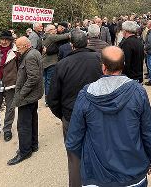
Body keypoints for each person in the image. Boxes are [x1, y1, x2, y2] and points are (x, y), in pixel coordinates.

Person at [65, 46, 151, 186]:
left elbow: (73, 140)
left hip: (97, 176)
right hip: (132, 172)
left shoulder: (85, 94)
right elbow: (148, 132)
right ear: (123, 65)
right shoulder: (138, 92)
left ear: (103, 67)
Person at [47, 30, 103, 187]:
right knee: (99, 149)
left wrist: (64, 115)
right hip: (96, 114)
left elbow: (52, 98)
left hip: (72, 116)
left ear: (72, 45)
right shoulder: (99, 59)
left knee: (74, 155)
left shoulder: (62, 64)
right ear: (87, 42)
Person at [7, 37, 44, 165]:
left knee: (23, 125)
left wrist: (21, 94)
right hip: (32, 95)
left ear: (27, 46)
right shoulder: (34, 52)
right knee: (32, 120)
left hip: (27, 97)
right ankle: (33, 145)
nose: (17, 49)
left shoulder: (29, 56)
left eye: (19, 47)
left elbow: (33, 78)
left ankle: (24, 151)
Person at [42, 24, 70, 99]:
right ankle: (48, 99)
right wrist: (71, 33)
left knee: (46, 81)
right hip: (51, 62)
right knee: (49, 81)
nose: (56, 30)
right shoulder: (51, 37)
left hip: (45, 62)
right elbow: (63, 37)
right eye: (54, 29)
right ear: (50, 31)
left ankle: (46, 97)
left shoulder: (44, 36)